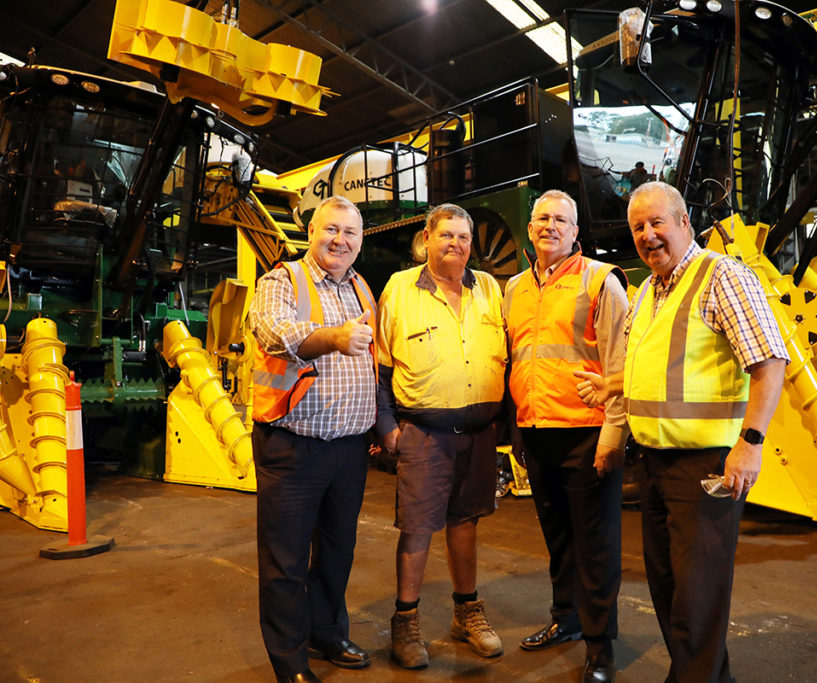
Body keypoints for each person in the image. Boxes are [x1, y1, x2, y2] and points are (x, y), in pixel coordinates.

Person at [577, 182, 787, 682]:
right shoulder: (648, 290)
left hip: (706, 468)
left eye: (657, 223)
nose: (648, 235)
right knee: (672, 591)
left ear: (684, 222)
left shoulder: (723, 277)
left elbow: (769, 363)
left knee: (696, 597)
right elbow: (654, 369)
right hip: (653, 465)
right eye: (638, 228)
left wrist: (750, 445)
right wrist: (611, 385)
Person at [249, 196, 378, 683]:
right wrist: (336, 337)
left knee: (336, 550)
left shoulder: (362, 288)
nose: (340, 240)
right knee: (284, 559)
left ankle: (327, 633)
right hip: (292, 447)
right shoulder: (283, 280)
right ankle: (290, 662)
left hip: (349, 448)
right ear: (311, 232)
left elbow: (374, 363)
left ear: (361, 241)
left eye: (351, 233)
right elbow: (274, 333)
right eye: (331, 230)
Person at [502, 190, 629, 683]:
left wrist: (614, 434)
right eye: (542, 218)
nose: (550, 226)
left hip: (587, 431)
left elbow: (618, 361)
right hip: (537, 431)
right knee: (558, 538)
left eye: (561, 219)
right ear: (530, 229)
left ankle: (600, 648)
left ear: (576, 231)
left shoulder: (600, 281)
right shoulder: (514, 287)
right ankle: (567, 619)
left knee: (595, 543)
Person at [376, 203, 507, 670]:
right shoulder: (399, 289)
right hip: (425, 433)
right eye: (446, 235)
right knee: (416, 529)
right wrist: (387, 425)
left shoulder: (489, 289)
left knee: (466, 521)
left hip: (478, 432)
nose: (455, 244)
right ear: (426, 239)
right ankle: (406, 622)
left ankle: (466, 614)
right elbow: (381, 366)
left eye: (464, 237)